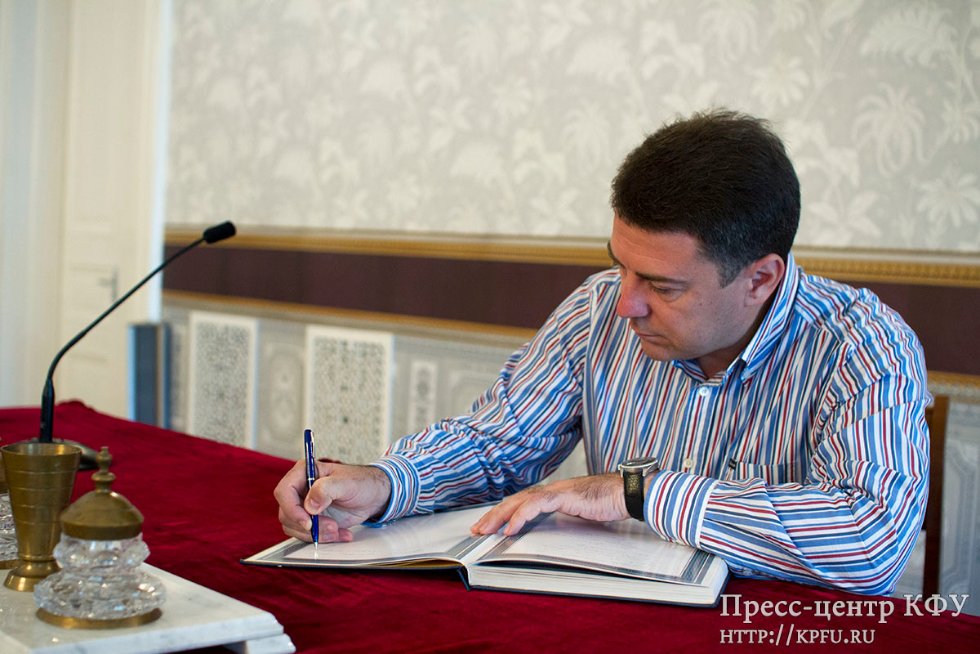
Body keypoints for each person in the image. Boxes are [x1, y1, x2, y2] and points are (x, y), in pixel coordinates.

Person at [275, 109, 929, 595]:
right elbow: (498, 444)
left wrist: (640, 493)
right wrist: (385, 482)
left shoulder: (864, 344)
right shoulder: (597, 309)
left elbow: (869, 541)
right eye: (620, 265)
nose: (626, 304)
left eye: (663, 286)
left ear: (760, 278)